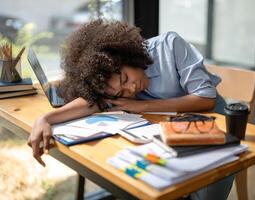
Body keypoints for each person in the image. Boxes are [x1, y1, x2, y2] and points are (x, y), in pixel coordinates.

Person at [27, 19, 233, 200]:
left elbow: (205, 98)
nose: (131, 89)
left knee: (208, 176)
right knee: (144, 177)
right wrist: (45, 119)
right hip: (171, 128)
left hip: (215, 120)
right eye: (120, 93)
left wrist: (141, 105)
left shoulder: (169, 46)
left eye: (125, 79)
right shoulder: (114, 88)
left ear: (126, 56)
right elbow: (91, 103)